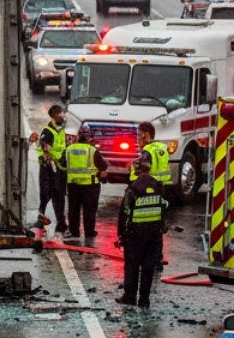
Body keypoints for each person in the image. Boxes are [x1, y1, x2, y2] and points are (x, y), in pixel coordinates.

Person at [117, 156, 167, 308]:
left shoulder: (133, 189)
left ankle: (129, 297)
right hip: (154, 234)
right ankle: (144, 299)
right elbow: (165, 206)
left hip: (136, 234)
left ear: (137, 169)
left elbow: (124, 212)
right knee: (148, 266)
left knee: (132, 266)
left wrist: (121, 235)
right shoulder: (159, 186)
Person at [62, 132, 109, 241]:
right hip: (90, 185)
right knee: (89, 210)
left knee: (73, 209)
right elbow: (103, 166)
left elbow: (62, 164)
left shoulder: (69, 149)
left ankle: (74, 232)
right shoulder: (91, 150)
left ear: (77, 138)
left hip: (73, 184)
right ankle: (89, 232)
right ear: (88, 139)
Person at [32, 105, 68, 232]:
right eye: (59, 113)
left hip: (60, 168)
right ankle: (41, 218)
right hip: (48, 168)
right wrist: (46, 159)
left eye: (62, 113)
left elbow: (64, 147)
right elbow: (41, 148)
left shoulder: (63, 130)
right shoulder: (47, 131)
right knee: (46, 194)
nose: (62, 115)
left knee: (60, 195)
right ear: (53, 115)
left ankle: (61, 222)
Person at [136, 122, 172, 195]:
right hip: (165, 189)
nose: (137, 138)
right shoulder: (162, 147)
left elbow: (143, 171)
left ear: (146, 135)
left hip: (149, 189)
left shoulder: (147, 150)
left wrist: (133, 167)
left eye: (139, 135)